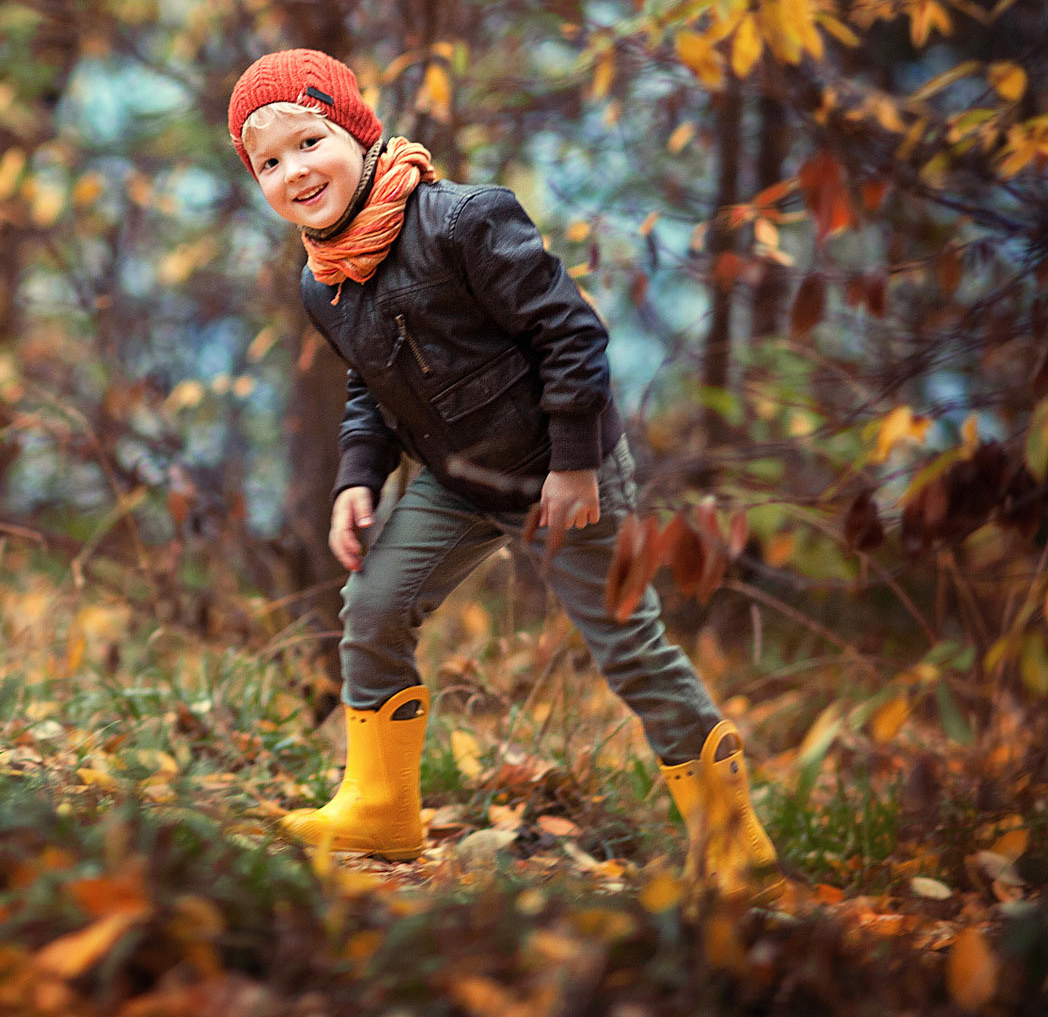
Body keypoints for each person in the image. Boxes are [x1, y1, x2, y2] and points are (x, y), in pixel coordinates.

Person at [226, 48, 778, 898]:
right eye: (268, 162)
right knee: (372, 606)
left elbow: (572, 336)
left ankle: (733, 838)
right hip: (457, 478)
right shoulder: (323, 280)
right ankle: (380, 806)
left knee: (629, 645)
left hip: (563, 465)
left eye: (309, 142)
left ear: (359, 133)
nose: (294, 171)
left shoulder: (463, 223)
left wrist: (573, 462)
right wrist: (356, 479)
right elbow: (371, 386)